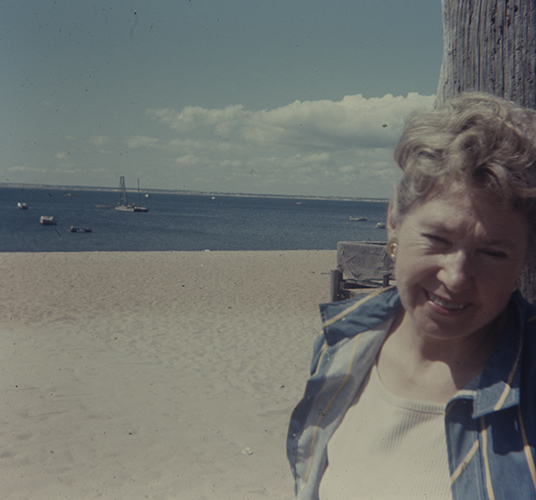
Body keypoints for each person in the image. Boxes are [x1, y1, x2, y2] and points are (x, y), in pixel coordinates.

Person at [287, 92, 536, 499]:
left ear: (525, 259)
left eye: (493, 252)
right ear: (394, 223)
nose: (456, 278)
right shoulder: (343, 345)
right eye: (438, 238)